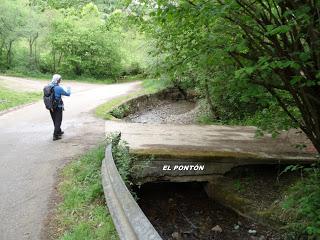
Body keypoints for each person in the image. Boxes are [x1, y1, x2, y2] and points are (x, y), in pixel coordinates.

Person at [49, 74, 71, 141]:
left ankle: (59, 131)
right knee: (58, 120)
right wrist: (68, 88)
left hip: (51, 107)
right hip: (58, 106)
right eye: (60, 79)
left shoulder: (49, 86)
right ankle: (55, 136)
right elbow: (68, 94)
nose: (61, 80)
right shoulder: (58, 88)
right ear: (58, 80)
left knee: (55, 119)